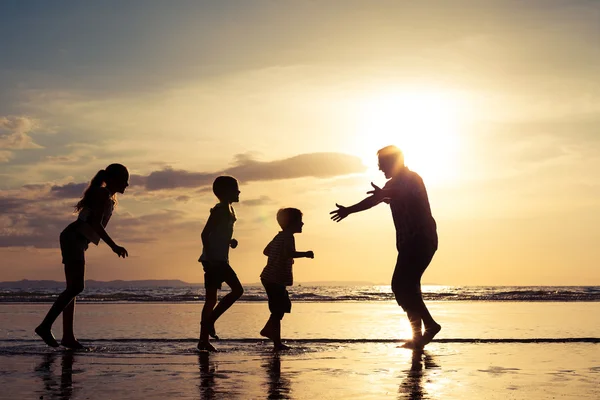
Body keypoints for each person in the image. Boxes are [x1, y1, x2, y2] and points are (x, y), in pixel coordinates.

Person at [330, 145, 440, 348]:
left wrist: (384, 194)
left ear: (393, 162)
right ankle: (422, 333)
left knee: (401, 286)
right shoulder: (391, 185)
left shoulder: (411, 179)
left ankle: (428, 328)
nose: (380, 169)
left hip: (421, 240)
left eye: (382, 164)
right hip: (409, 243)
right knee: (407, 288)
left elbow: (400, 193)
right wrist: (350, 210)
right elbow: (375, 199)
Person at [35, 164, 129, 349]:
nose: (127, 184)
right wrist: (114, 246)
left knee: (73, 288)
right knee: (77, 287)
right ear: (113, 179)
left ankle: (68, 337)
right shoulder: (102, 194)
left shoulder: (107, 196)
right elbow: (95, 224)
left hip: (77, 240)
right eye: (124, 180)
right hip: (73, 238)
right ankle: (45, 326)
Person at [198, 176, 244, 352]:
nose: (239, 192)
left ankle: (203, 341)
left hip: (217, 259)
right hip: (214, 261)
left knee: (211, 299)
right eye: (236, 189)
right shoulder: (220, 210)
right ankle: (210, 322)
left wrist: (229, 241)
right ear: (225, 192)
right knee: (237, 290)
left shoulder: (228, 210)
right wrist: (210, 259)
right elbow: (205, 234)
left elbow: (218, 234)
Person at [260, 208, 314, 350]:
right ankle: (275, 340)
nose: (302, 224)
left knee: (282, 307)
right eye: (300, 221)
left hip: (271, 277)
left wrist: (278, 256)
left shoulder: (279, 236)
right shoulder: (288, 237)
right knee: (278, 309)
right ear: (292, 223)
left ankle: (270, 332)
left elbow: (266, 251)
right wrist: (305, 254)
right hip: (274, 278)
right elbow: (288, 252)